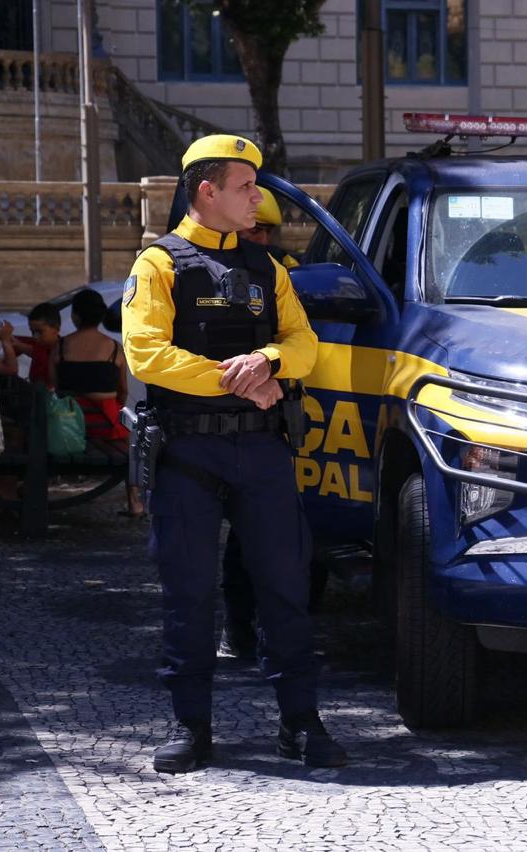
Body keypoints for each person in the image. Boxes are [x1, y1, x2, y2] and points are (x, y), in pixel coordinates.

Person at [122, 134, 346, 773]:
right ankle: (191, 727)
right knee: (188, 594)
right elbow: (147, 355)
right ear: (207, 191)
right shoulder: (158, 265)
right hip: (187, 451)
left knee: (285, 586)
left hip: (261, 448)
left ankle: (300, 723)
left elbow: (305, 345)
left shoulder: (268, 268)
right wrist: (239, 379)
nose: (257, 199)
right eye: (246, 187)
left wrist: (268, 360)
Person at [217, 188, 305, 660]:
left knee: (278, 538)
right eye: (254, 231)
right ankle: (237, 631)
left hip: (272, 423)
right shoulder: (207, 273)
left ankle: (275, 638)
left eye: (267, 231)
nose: (261, 239)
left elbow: (303, 341)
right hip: (215, 420)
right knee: (234, 540)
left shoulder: (284, 275)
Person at [49, 288, 144, 518]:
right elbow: (123, 392)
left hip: (68, 423)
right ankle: (134, 502)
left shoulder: (60, 347)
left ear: (75, 316)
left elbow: (54, 386)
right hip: (106, 425)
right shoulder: (114, 349)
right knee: (131, 440)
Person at [13, 302, 61, 388]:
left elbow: (36, 353)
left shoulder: (64, 353)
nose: (35, 336)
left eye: (40, 332)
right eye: (32, 332)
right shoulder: (37, 344)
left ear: (56, 328)